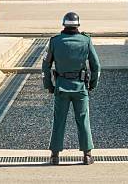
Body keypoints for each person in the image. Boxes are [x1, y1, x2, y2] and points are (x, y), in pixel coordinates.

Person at [42, 12, 101, 165]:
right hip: (80, 88)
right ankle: (87, 155)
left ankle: (55, 156)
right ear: (77, 25)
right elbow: (96, 66)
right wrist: (92, 84)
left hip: (61, 88)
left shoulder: (54, 41)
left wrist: (49, 85)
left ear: (64, 25)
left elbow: (46, 65)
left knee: (59, 121)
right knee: (83, 120)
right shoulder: (86, 41)